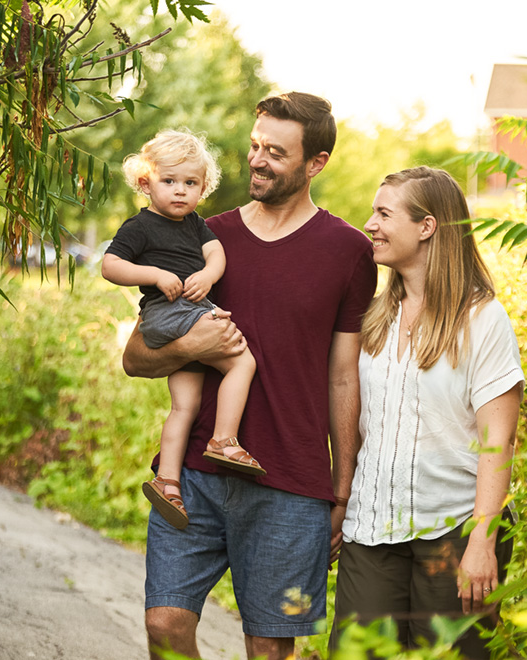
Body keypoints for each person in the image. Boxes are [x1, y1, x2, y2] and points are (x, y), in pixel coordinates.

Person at [121, 93, 378, 660]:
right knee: (164, 624)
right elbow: (137, 357)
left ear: (316, 163)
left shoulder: (348, 252)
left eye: (276, 152)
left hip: (290, 484)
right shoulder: (199, 235)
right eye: (255, 146)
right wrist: (192, 343)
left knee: (268, 648)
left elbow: (343, 377)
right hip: (192, 475)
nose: (257, 161)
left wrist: (342, 488)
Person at [329, 166, 524, 659]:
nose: (369, 224)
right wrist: (340, 496)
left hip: (452, 531)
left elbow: (498, 441)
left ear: (427, 226)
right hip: (371, 529)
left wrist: (483, 538)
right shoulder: (373, 317)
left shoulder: (482, 319)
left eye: (383, 213)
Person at [102, 129, 264, 530]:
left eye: (190, 184)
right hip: (167, 311)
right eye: (169, 181)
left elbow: (216, 254)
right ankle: (224, 440)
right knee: (242, 361)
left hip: (186, 308)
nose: (180, 192)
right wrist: (155, 274)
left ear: (202, 188)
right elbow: (110, 265)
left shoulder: (195, 225)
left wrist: (209, 276)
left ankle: (167, 481)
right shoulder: (139, 227)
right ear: (146, 183)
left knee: (184, 406)